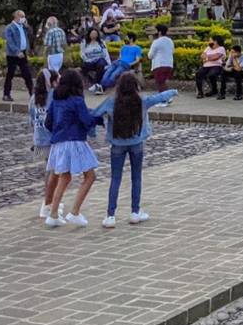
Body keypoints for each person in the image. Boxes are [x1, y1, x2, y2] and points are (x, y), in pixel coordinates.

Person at [92, 73, 177, 228]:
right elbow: (158, 98)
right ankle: (135, 212)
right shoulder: (141, 101)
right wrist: (173, 92)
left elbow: (94, 113)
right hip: (136, 143)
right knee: (136, 177)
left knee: (115, 179)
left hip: (117, 144)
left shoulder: (111, 102)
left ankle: (110, 216)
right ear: (135, 86)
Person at [43, 70, 104, 228]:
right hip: (75, 141)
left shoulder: (55, 100)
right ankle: (75, 211)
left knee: (65, 177)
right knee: (89, 176)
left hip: (58, 142)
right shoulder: (77, 101)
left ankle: (53, 214)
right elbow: (86, 120)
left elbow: (48, 123)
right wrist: (98, 119)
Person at [30, 70, 61, 221]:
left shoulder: (33, 98)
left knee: (48, 171)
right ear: (52, 82)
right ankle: (47, 204)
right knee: (54, 173)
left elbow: (31, 119)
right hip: (51, 140)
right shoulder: (54, 96)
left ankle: (50, 200)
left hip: (39, 139)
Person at [2, 10, 31, 101]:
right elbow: (10, 42)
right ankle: (6, 94)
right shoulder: (9, 28)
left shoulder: (23, 27)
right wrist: (17, 51)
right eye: (22, 17)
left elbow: (29, 35)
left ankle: (32, 93)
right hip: (13, 55)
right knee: (10, 74)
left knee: (27, 73)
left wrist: (27, 26)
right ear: (17, 17)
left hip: (23, 53)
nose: (23, 18)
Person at [148, 24, 175, 94]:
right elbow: (172, 51)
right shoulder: (170, 41)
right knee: (163, 82)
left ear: (159, 32)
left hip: (159, 65)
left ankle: (165, 99)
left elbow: (150, 55)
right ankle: (166, 98)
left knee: (160, 83)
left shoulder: (156, 42)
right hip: (169, 65)